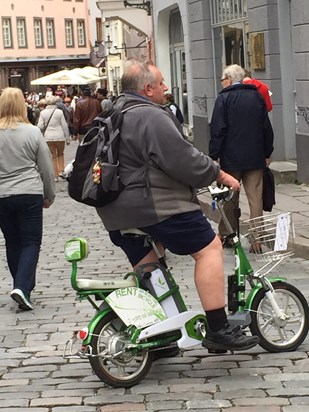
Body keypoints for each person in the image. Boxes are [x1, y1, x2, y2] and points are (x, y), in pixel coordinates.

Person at [95, 60, 260, 353]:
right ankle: (219, 327)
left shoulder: (113, 112)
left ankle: (160, 335)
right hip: (155, 205)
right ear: (147, 89)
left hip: (115, 211)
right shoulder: (150, 115)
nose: (166, 88)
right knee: (209, 248)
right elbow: (182, 158)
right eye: (161, 83)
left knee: (149, 268)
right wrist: (219, 174)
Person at [0, 87, 55, 311]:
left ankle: (21, 287)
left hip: (2, 195)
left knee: (12, 242)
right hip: (29, 192)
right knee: (31, 242)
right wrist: (49, 194)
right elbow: (46, 167)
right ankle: (22, 287)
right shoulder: (32, 132)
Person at [209, 64, 274, 248]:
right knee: (256, 200)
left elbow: (217, 129)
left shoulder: (224, 98)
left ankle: (227, 234)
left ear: (229, 79)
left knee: (228, 198)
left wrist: (214, 155)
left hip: (231, 160)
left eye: (223, 79)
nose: (222, 83)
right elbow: (266, 129)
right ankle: (257, 240)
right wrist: (267, 152)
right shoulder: (256, 97)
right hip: (255, 158)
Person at [37, 95, 70, 181]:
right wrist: (67, 137)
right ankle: (61, 171)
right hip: (59, 136)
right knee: (60, 153)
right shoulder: (59, 112)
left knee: (53, 156)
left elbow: (40, 126)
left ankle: (55, 175)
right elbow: (64, 125)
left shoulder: (43, 113)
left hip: (48, 137)